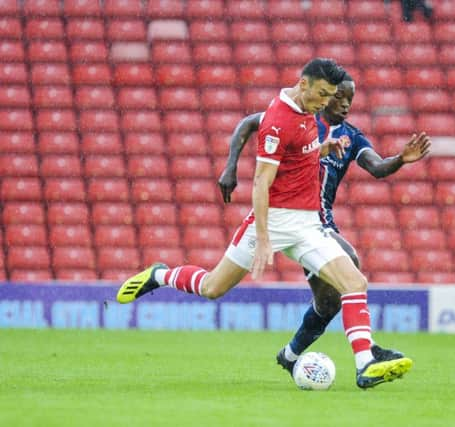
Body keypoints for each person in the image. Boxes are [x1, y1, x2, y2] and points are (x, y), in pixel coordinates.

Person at [116, 58, 413, 389]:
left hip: (306, 224)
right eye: (323, 94)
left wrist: (323, 146)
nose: (327, 102)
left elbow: (300, 150)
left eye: (331, 96)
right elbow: (261, 182)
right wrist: (263, 237)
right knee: (213, 287)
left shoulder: (308, 109)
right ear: (304, 84)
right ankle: (160, 274)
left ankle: (365, 364)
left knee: (354, 283)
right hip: (272, 221)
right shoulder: (277, 121)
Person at [218, 73, 430, 378]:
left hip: (318, 221)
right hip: (290, 216)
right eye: (338, 97)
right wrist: (231, 165)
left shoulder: (352, 136)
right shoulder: (302, 119)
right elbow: (249, 123)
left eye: (350, 100)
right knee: (350, 267)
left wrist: (400, 158)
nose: (344, 104)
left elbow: (378, 167)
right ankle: (367, 352)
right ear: (325, 93)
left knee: (329, 303)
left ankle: (291, 356)